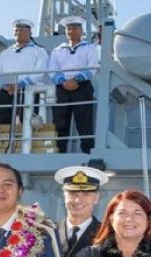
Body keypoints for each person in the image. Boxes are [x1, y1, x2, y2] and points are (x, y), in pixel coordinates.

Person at [48, 16, 99, 154]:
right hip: (62, 88)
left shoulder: (90, 47)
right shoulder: (58, 50)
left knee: (84, 122)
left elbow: (92, 67)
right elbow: (52, 69)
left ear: (81, 30)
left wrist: (75, 80)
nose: (71, 31)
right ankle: (60, 152)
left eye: (75, 28)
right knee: (60, 122)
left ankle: (88, 153)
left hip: (82, 87)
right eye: (68, 28)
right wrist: (63, 82)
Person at [0, 19, 49, 125]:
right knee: (1, 118)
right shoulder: (5, 53)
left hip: (29, 90)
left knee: (28, 122)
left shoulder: (39, 51)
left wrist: (21, 84)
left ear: (30, 32)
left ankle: (28, 140)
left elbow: (40, 72)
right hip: (7, 91)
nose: (19, 32)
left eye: (23, 29)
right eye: (17, 30)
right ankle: (1, 141)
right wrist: (5, 85)